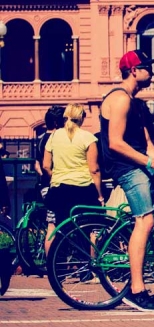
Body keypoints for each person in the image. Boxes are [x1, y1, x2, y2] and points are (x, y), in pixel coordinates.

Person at [100, 50, 154, 312]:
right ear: (133, 71)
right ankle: (137, 290)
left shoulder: (137, 103)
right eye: (146, 68)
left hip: (139, 163)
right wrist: (148, 162)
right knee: (146, 219)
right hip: (126, 168)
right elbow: (116, 143)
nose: (151, 72)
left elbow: (148, 144)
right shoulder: (119, 99)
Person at [42, 104, 103, 249]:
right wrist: (100, 195)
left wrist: (56, 177)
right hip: (83, 190)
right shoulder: (88, 138)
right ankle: (92, 267)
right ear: (81, 118)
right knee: (91, 229)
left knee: (56, 229)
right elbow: (94, 169)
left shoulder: (54, 136)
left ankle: (54, 268)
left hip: (59, 190)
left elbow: (45, 165)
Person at [36, 106, 64, 243]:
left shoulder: (40, 139)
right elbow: (46, 165)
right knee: (57, 225)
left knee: (52, 224)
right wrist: (55, 177)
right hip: (56, 186)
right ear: (58, 123)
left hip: (45, 186)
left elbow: (37, 165)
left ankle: (50, 262)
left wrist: (45, 177)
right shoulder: (56, 139)